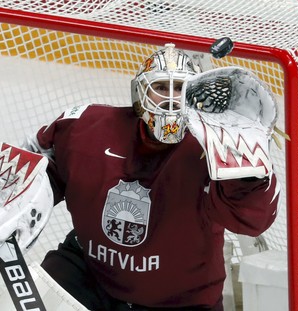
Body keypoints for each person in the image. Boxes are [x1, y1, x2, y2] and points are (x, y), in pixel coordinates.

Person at [19, 43, 281, 311]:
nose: (170, 100)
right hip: (90, 277)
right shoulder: (88, 127)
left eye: (179, 88)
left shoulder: (211, 147)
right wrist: (12, 197)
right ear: (139, 93)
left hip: (182, 301)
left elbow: (252, 220)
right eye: (160, 88)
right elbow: (44, 160)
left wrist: (247, 172)